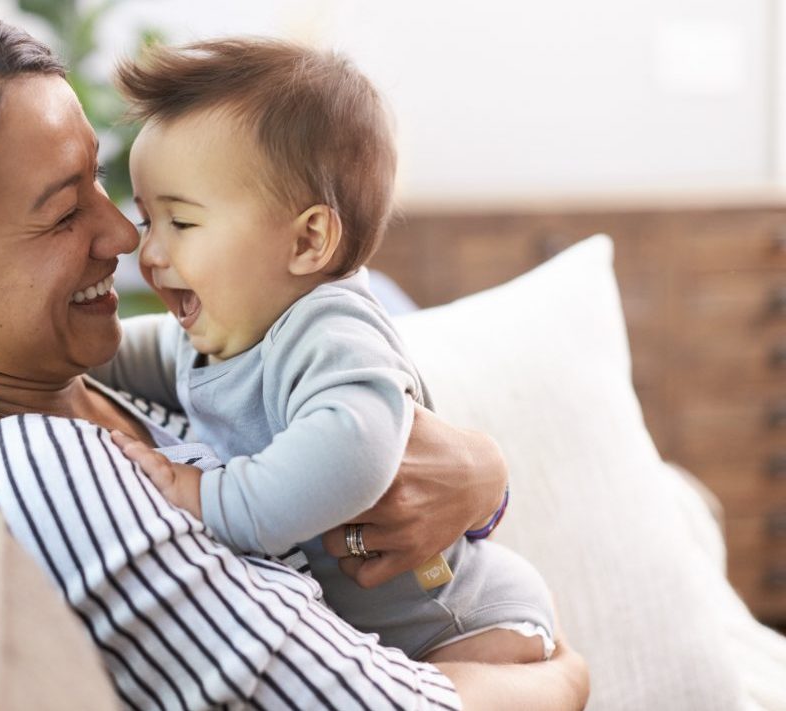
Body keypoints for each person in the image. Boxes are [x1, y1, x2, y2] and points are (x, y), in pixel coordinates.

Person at [0, 6, 588, 709]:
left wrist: (482, 474)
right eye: (60, 215)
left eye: (100, 183)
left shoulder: (77, 382)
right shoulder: (38, 474)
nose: (124, 238)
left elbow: (327, 386)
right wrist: (568, 678)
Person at [95, 39, 554, 665]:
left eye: (182, 222)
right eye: (148, 221)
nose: (148, 252)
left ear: (308, 240)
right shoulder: (227, 328)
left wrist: (207, 499)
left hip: (461, 624)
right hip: (380, 638)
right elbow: (138, 354)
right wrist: (77, 350)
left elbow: (355, 445)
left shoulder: (329, 328)